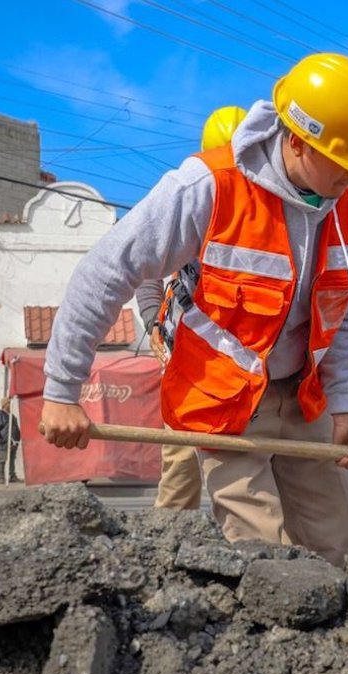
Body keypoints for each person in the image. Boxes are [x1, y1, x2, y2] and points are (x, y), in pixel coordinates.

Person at [38, 53, 348, 567]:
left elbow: (346, 307)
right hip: (225, 399)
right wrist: (61, 391)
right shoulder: (210, 186)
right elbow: (104, 271)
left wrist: (345, 406)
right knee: (265, 560)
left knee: (339, 549)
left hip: (305, 398)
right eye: (341, 165)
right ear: (296, 139)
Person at [135, 105, 249, 511]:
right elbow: (146, 266)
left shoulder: (262, 210)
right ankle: (167, 551)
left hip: (242, 358)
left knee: (243, 469)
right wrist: (152, 320)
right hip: (186, 353)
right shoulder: (193, 199)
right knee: (182, 463)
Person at [0, 397, 21, 484]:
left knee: (12, 460)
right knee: (3, 460)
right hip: (4, 442)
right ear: (5, 405)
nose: (10, 405)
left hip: (13, 442)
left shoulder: (12, 416)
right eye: (8, 403)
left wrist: (18, 438)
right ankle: (1, 477)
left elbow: (15, 428)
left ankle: (12, 476)